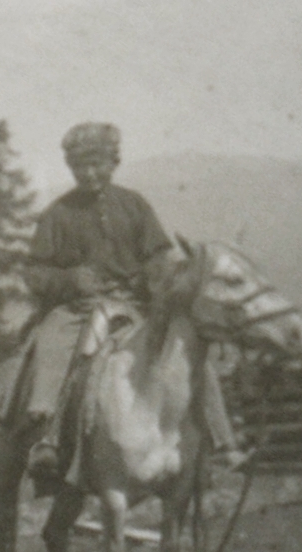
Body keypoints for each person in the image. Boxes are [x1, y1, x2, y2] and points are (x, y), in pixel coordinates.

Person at [12, 121, 240, 489]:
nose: (89, 173)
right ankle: (49, 440)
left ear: (113, 162)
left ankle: (221, 441)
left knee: (188, 353)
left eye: (97, 164)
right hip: (80, 310)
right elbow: (34, 272)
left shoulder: (133, 205)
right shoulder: (58, 214)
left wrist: (156, 279)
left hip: (137, 306)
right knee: (53, 348)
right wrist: (70, 281)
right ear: (70, 168)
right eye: (80, 166)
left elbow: (158, 255)